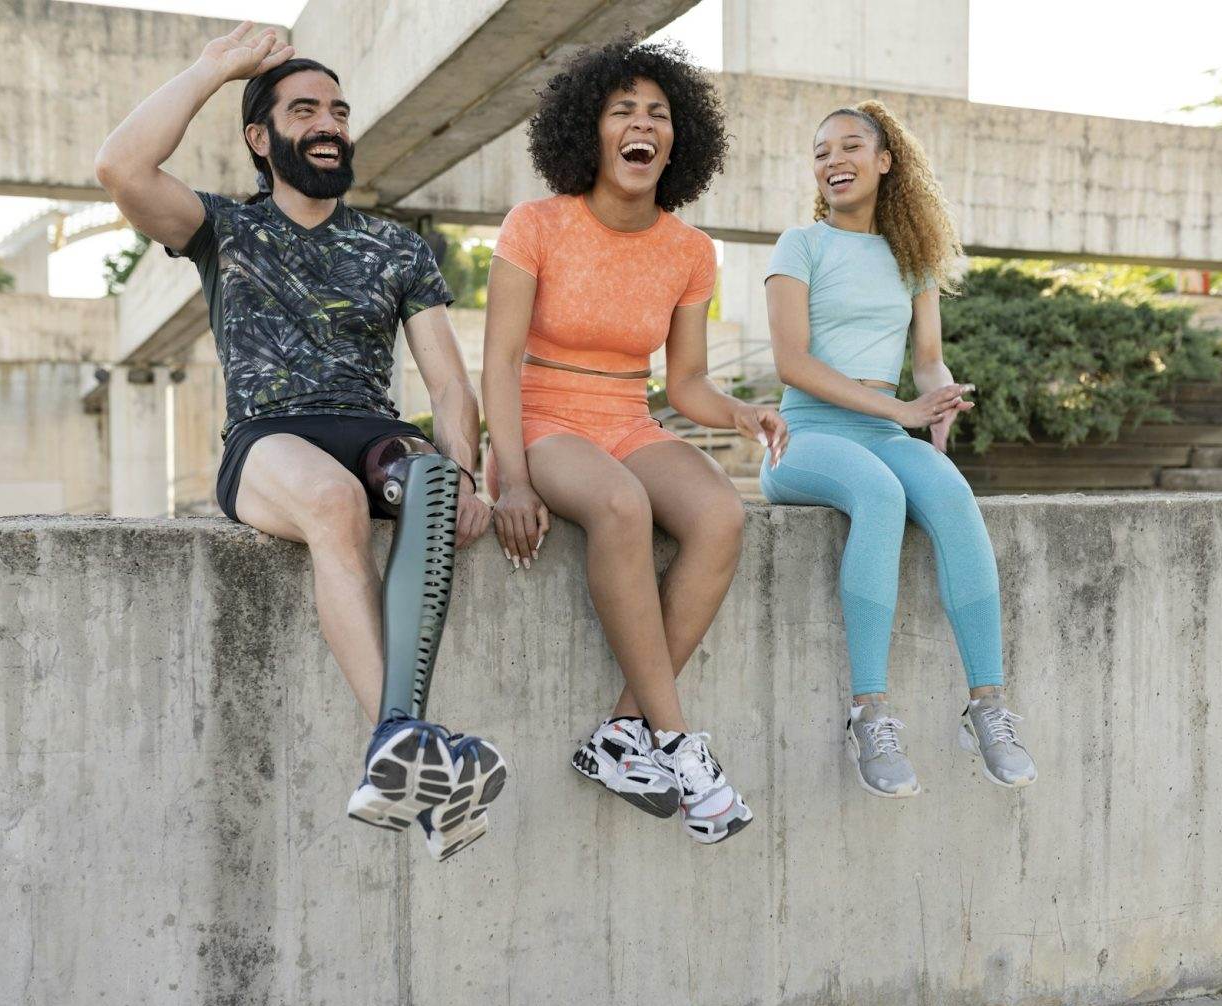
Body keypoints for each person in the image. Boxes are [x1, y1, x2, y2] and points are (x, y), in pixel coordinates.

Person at [94, 23, 504, 861]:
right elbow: (120, 169)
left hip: (378, 433)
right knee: (332, 501)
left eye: (340, 111)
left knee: (428, 487)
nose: (329, 124)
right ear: (261, 136)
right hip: (269, 441)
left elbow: (450, 383)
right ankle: (408, 742)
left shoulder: (396, 247)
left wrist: (465, 473)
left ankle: (413, 763)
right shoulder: (222, 231)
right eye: (306, 108)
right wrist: (212, 69)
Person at [481, 38, 787, 845]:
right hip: (542, 418)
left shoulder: (690, 251)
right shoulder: (535, 224)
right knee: (621, 506)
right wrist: (511, 477)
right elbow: (500, 361)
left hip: (627, 417)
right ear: (591, 130)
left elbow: (684, 385)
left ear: (677, 138)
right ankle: (680, 743)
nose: (641, 124)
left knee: (721, 515)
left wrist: (740, 415)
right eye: (623, 111)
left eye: (657, 113)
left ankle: (621, 735)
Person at [759, 100, 1037, 798]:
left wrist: (938, 404)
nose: (833, 161)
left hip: (885, 432)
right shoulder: (801, 245)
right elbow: (791, 361)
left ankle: (988, 706)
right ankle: (869, 714)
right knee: (880, 495)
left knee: (948, 491)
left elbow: (927, 361)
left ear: (886, 162)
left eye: (851, 147)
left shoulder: (913, 260)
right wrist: (900, 410)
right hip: (805, 436)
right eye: (821, 151)